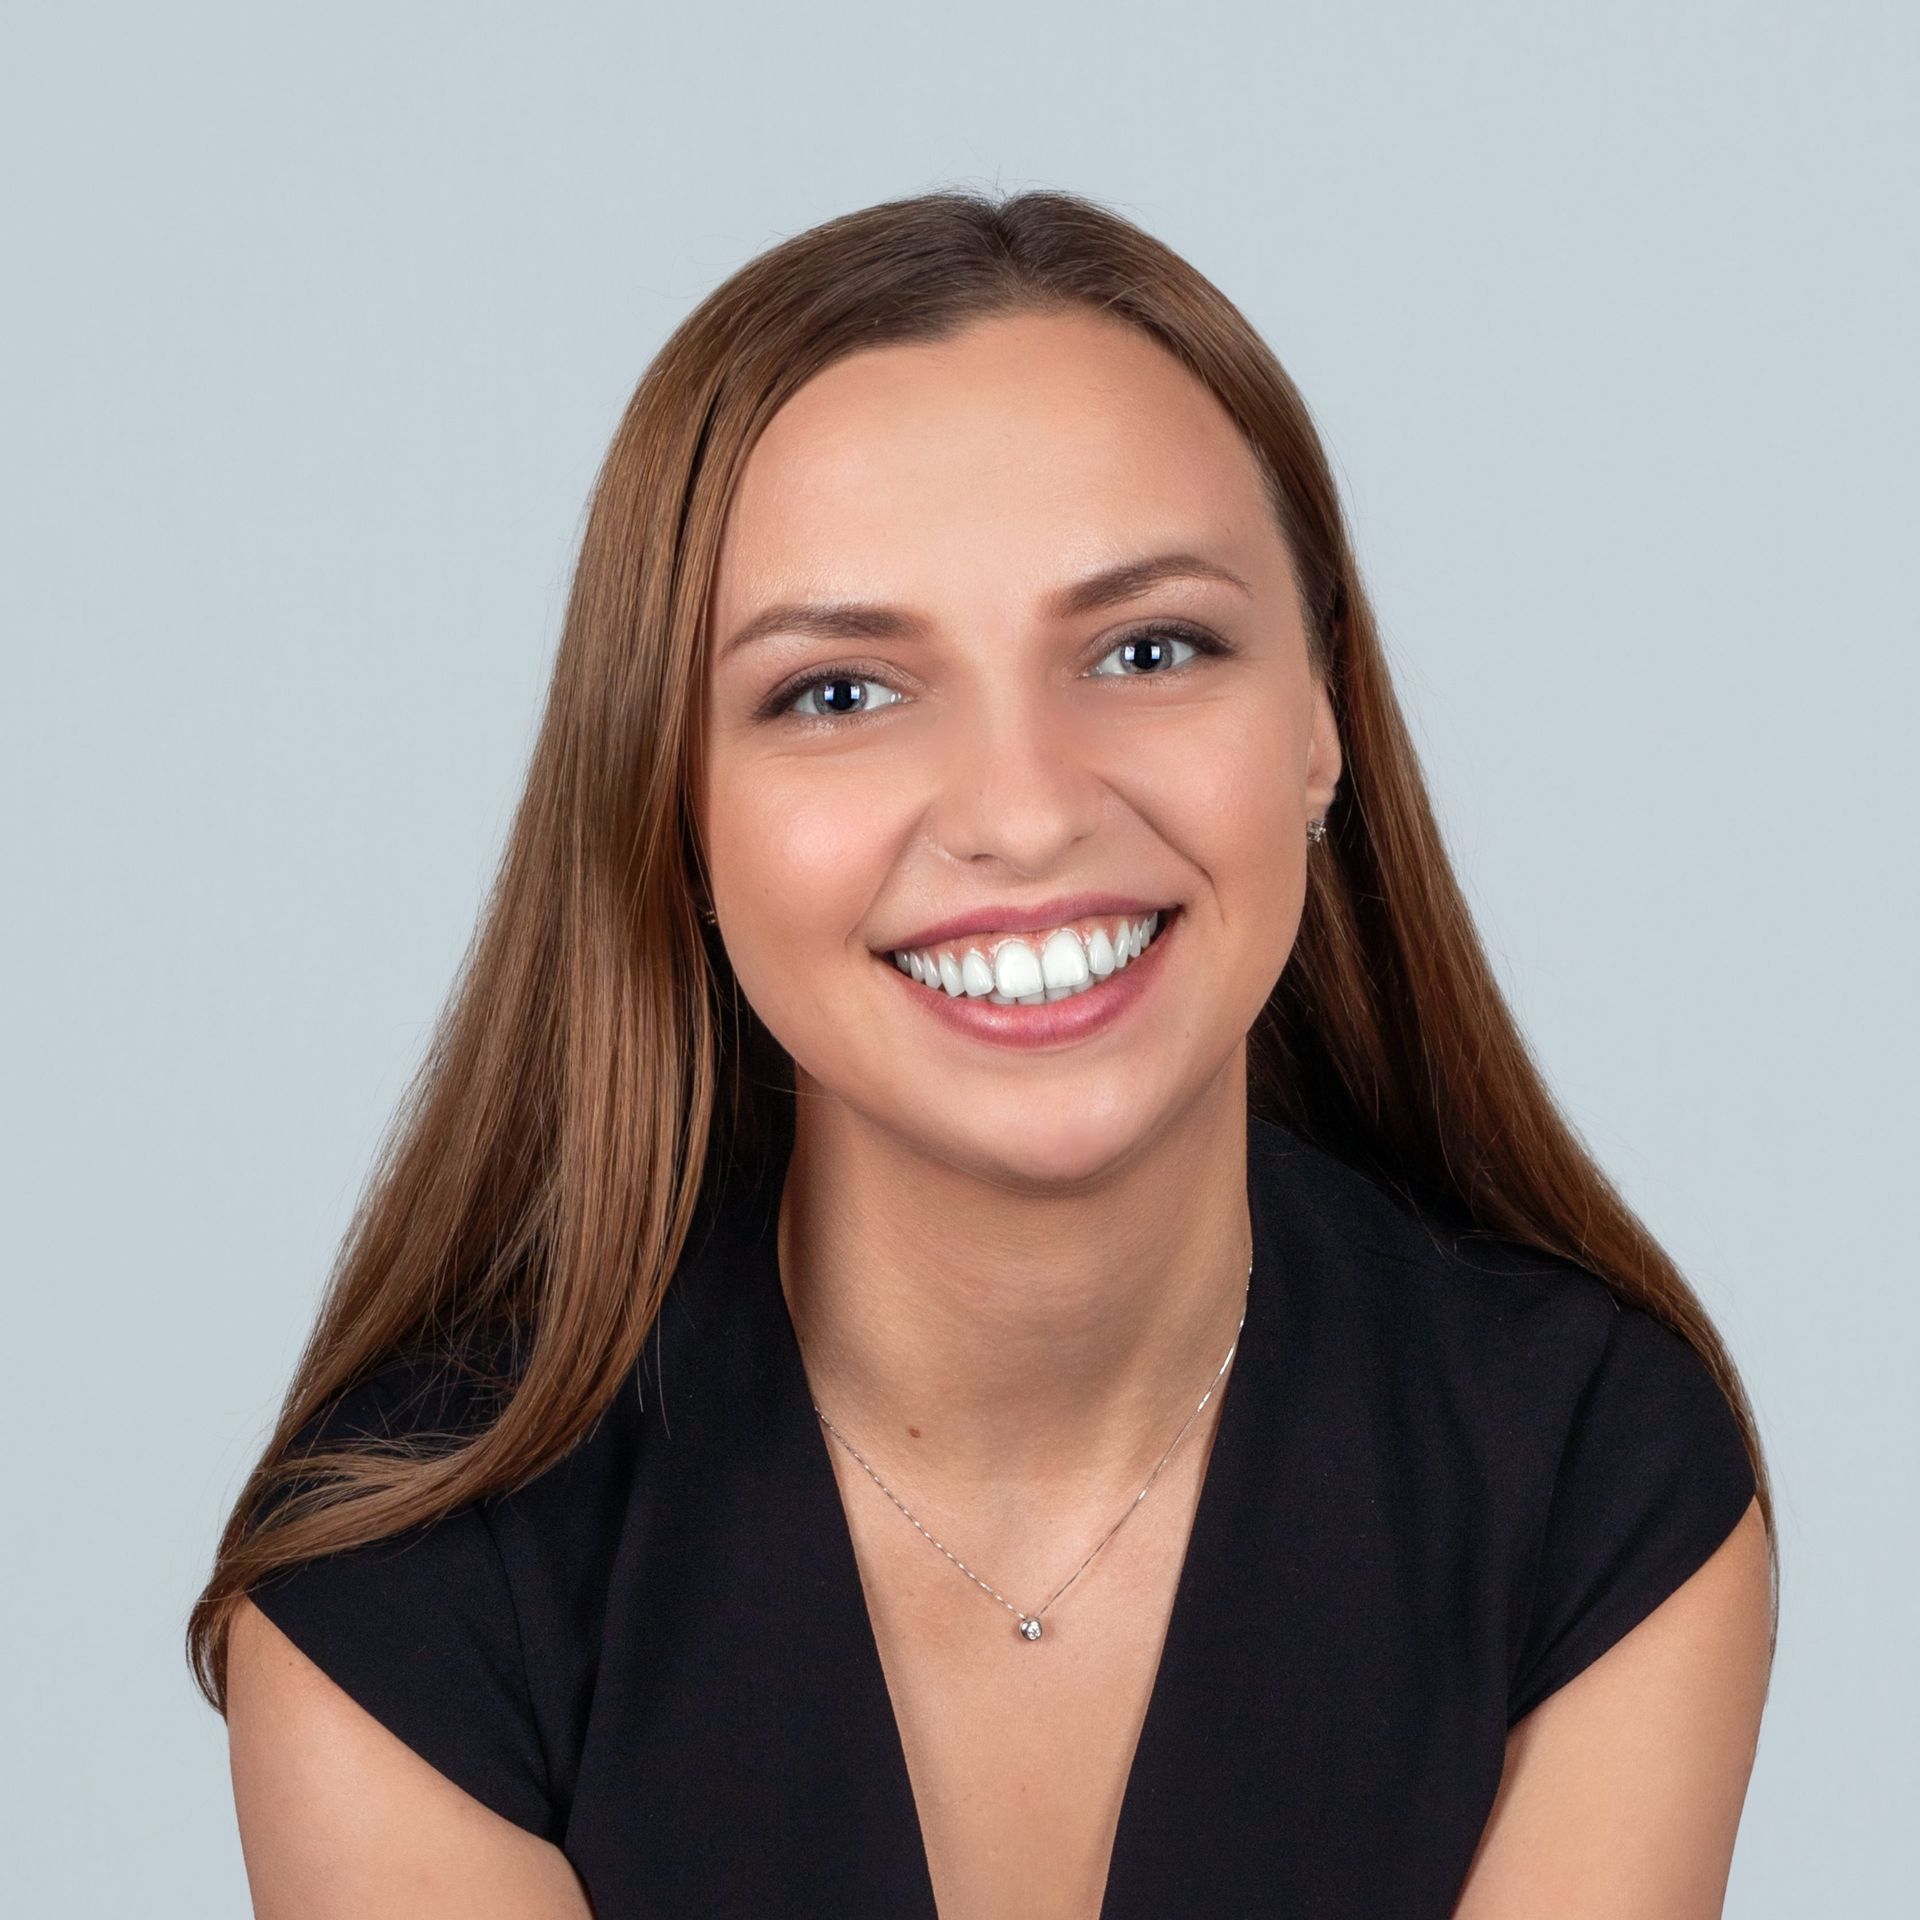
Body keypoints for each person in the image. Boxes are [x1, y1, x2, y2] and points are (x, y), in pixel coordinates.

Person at [190, 188, 1776, 1919]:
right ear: (675, 818)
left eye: (1150, 648)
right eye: (842, 692)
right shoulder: (408, 1593)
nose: (1024, 811)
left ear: (1321, 724)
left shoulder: (1596, 1481)